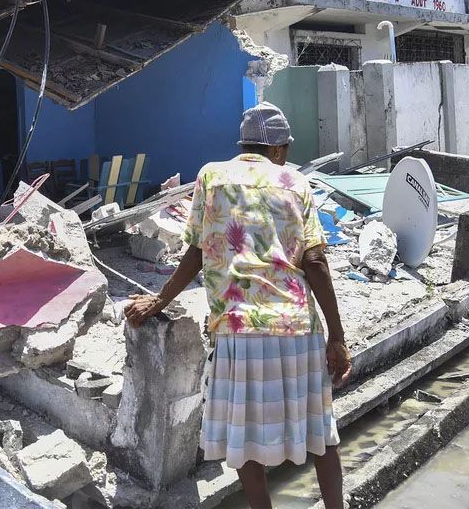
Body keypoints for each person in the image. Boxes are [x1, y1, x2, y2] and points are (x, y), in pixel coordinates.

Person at [125, 102, 352, 509]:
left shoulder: (211, 176)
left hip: (238, 329)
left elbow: (196, 251)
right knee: (319, 432)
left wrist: (160, 300)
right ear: (280, 149)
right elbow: (315, 261)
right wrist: (337, 336)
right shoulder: (295, 181)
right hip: (296, 328)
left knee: (245, 439)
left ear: (243, 144)